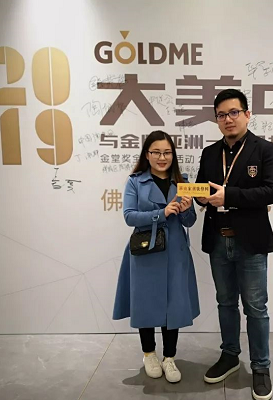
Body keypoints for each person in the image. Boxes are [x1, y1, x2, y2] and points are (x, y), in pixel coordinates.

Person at [196, 89, 273, 400]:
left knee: (256, 308)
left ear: (247, 114)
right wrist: (198, 197)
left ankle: (260, 367)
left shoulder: (264, 150)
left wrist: (228, 196)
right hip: (218, 240)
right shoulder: (210, 153)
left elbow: (272, 191)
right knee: (225, 302)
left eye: (234, 112)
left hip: (251, 243)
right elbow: (200, 187)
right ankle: (230, 355)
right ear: (216, 120)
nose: (228, 119)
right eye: (221, 115)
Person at [113, 130, 199, 383]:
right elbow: (129, 216)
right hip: (146, 252)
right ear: (147, 154)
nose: (162, 158)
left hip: (175, 252)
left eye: (167, 152)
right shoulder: (135, 182)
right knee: (145, 302)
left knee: (175, 303)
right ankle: (149, 354)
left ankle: (169, 357)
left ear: (173, 155)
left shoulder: (183, 182)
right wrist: (161, 214)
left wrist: (185, 210)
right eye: (156, 152)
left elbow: (190, 221)